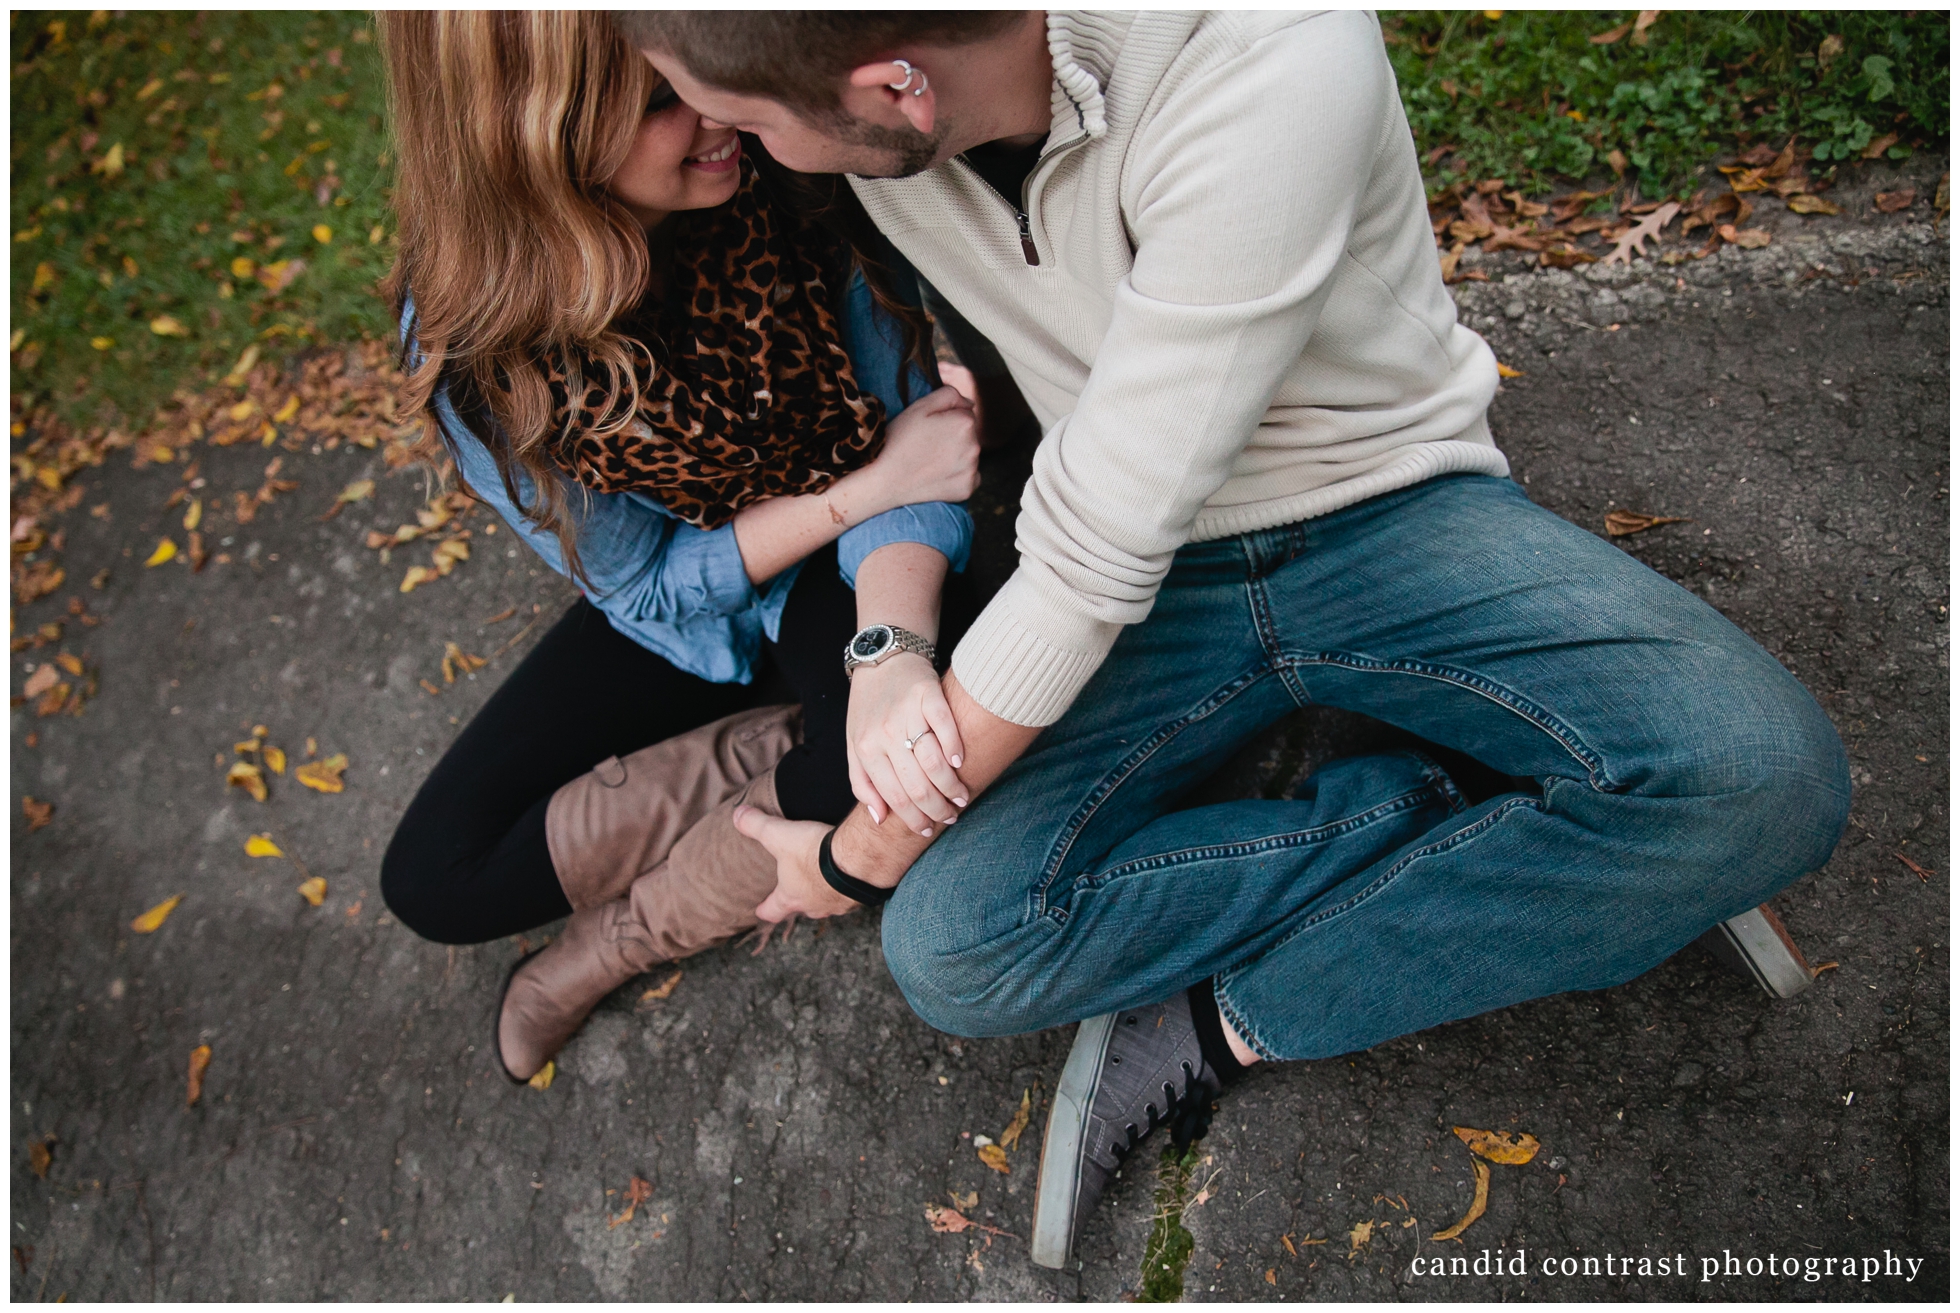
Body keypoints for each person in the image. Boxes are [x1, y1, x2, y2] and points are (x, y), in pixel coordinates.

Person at [620, 9, 1854, 1268]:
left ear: (898, 89)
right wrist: (887, 649)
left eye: (755, 121)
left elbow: (1092, 551)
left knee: (1760, 777)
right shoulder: (861, 110)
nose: (732, 139)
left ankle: (1220, 1022)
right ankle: (1492, 808)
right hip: (1157, 581)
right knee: (956, 950)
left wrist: (843, 859)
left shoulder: (1270, 47)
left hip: (1380, 504)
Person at [372, 12, 988, 1086]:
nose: (715, 113)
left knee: (890, 781)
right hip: (703, 604)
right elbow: (648, 585)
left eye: (691, 74)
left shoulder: (786, 168)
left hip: (843, 580)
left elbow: (921, 450)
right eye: (660, 101)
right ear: (536, 142)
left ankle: (616, 943)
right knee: (435, 880)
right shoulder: (486, 347)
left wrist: (887, 647)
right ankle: (785, 750)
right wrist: (860, 489)